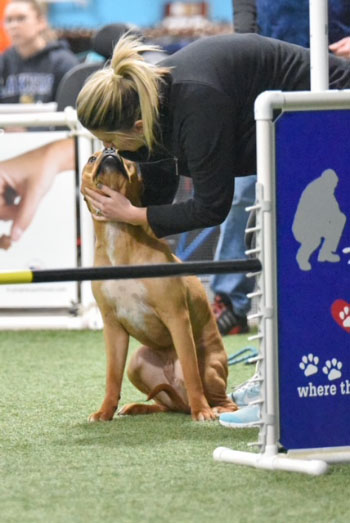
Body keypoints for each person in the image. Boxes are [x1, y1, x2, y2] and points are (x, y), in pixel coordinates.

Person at [219, 0, 350, 428]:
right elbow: (245, 19)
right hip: (270, 86)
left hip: (336, 81)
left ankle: (295, 369)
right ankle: (234, 306)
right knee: (248, 198)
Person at [0, 0, 78, 104]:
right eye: (9, 20)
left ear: (41, 22)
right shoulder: (3, 63)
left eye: (21, 18)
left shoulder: (63, 62)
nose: (14, 25)